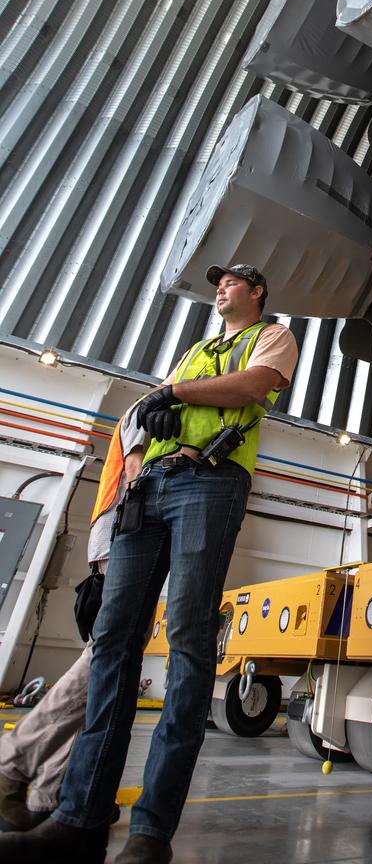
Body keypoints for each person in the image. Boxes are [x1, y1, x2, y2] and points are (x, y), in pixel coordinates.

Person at [0, 263, 297, 864]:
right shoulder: (194, 351)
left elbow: (251, 386)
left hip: (210, 484)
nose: (220, 287)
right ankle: (79, 820)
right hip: (151, 488)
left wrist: (174, 396)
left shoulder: (272, 336)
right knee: (112, 643)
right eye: (218, 282)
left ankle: (150, 835)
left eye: (232, 281)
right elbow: (142, 410)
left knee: (188, 641)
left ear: (257, 291)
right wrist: (137, 454)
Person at [0, 411, 140, 831]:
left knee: (105, 663)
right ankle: (13, 760)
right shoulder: (151, 408)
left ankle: (50, 791)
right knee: (105, 658)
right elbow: (135, 473)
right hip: (125, 536)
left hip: (118, 535)